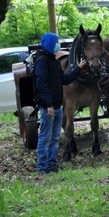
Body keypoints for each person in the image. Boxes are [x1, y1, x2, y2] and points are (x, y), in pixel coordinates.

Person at [33, 32, 82, 175]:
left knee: (54, 138)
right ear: (49, 44)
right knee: (45, 138)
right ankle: (42, 167)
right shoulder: (42, 61)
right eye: (56, 42)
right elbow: (41, 84)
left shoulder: (54, 61)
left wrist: (79, 69)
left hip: (58, 106)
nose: (58, 45)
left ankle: (52, 164)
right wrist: (48, 105)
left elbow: (64, 79)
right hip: (48, 107)